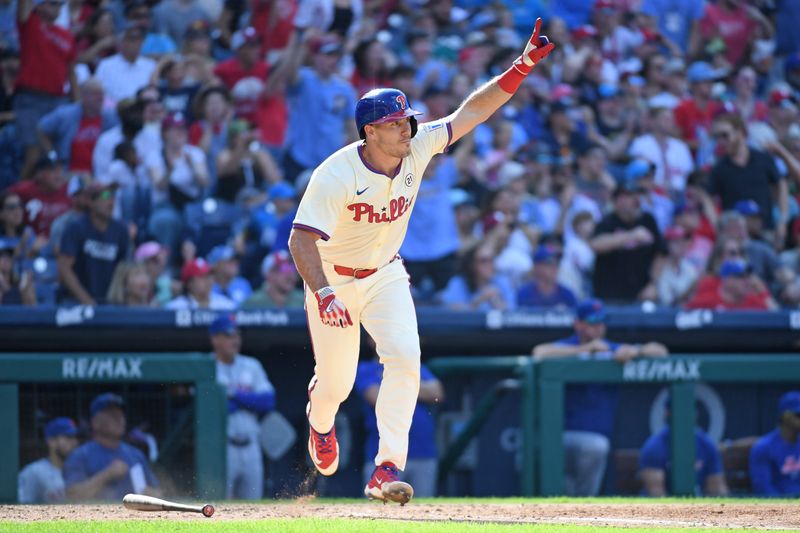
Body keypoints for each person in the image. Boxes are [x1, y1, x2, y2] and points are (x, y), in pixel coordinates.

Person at [287, 18, 554, 504]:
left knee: (406, 358)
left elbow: (473, 112)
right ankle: (319, 423)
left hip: (386, 272)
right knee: (337, 385)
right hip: (335, 280)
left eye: (407, 119)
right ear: (370, 131)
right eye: (394, 122)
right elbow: (301, 240)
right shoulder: (336, 173)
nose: (406, 127)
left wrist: (521, 66)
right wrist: (323, 292)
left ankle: (385, 467)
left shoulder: (418, 147)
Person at [532, 298, 669, 496]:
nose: (598, 328)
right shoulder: (569, 346)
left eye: (601, 322)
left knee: (594, 450)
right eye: (592, 322)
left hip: (598, 439)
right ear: (578, 324)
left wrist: (636, 351)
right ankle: (581, 507)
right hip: (560, 437)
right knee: (594, 449)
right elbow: (539, 352)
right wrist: (584, 350)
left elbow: (661, 351)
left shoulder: (610, 349)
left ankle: (579, 510)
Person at [356, 337, 444, 498]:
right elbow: (376, 396)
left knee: (424, 511)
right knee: (377, 510)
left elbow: (436, 393)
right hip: (382, 457)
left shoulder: (413, 368)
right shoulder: (366, 368)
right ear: (371, 341)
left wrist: (396, 384)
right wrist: (411, 385)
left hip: (422, 453)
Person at [209, 314, 276, 499]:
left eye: (237, 334)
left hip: (251, 445)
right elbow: (213, 410)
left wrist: (233, 395)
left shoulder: (251, 365)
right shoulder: (206, 366)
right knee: (220, 504)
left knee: (253, 506)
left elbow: (267, 401)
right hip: (223, 447)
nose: (235, 340)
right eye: (229, 335)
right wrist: (247, 401)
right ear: (215, 339)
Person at [709, 113, 789, 248]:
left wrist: (782, 221)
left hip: (765, 231)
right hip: (735, 238)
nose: (721, 141)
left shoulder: (763, 159)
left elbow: (782, 185)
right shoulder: (719, 168)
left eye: (725, 135)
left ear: (740, 132)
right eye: (718, 137)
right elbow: (708, 198)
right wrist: (718, 226)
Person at [64, 393, 160, 501]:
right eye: (111, 414)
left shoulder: (136, 455)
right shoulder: (80, 455)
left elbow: (157, 491)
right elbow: (72, 497)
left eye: (121, 414)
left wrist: (151, 494)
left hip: (134, 516)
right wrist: (106, 475)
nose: (119, 418)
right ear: (95, 422)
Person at [590, 181, 665, 304]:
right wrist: (631, 235)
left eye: (637, 195)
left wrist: (653, 284)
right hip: (610, 297)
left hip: (642, 295)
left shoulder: (648, 220)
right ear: (617, 200)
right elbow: (596, 245)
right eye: (630, 195)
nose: (636, 199)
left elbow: (661, 254)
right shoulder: (608, 221)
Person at [57, 183, 129, 305]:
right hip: (76, 301)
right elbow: (64, 269)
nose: (111, 202)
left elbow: (125, 269)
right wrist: (86, 300)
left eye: (113, 196)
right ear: (91, 201)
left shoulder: (120, 230)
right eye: (106, 196)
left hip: (109, 302)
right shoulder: (75, 228)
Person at [639, 403, 729, 497]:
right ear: (667, 412)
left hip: (699, 503)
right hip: (666, 506)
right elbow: (656, 493)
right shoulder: (655, 446)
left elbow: (717, 488)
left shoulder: (706, 444)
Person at [749, 391, 800, 497]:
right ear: (786, 416)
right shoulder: (764, 447)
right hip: (781, 506)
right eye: (798, 415)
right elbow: (763, 487)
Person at [18, 417, 79, 503]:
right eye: (68, 437)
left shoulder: (81, 470)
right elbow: (20, 506)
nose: (74, 442)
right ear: (51, 441)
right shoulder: (34, 471)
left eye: (75, 438)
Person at [166, 258, 236, 310]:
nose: (208, 280)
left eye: (209, 275)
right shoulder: (176, 307)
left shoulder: (225, 305)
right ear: (189, 284)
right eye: (202, 276)